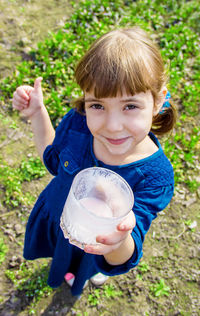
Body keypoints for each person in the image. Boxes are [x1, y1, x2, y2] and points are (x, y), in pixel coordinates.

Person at [12, 26, 176, 296]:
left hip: (100, 243)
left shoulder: (155, 177)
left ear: (158, 102)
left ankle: (90, 271)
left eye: (130, 106)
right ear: (86, 102)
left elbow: (127, 251)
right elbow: (53, 159)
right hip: (60, 219)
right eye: (97, 106)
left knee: (91, 262)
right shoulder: (78, 125)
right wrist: (38, 113)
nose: (112, 126)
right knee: (62, 253)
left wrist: (118, 241)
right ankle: (64, 262)